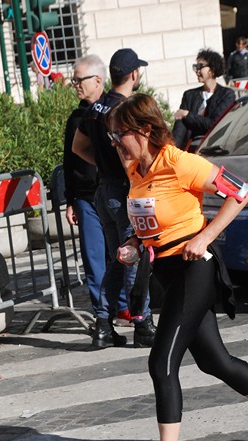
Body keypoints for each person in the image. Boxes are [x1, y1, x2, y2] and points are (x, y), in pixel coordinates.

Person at [106, 93, 248, 441]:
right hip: (167, 270)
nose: (115, 142)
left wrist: (206, 236)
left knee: (161, 360)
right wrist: (133, 242)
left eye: (119, 135)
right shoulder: (136, 168)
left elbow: (240, 192)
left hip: (195, 270)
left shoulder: (180, 162)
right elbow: (151, 219)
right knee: (214, 361)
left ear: (144, 130)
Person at [72, 48, 156, 349]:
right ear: (134, 74)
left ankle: (104, 325)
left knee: (117, 261)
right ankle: (143, 323)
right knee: (133, 258)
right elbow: (129, 154)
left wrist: (103, 163)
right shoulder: (124, 110)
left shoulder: (96, 108)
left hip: (103, 190)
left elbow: (78, 147)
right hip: (123, 191)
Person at [63, 54, 132, 326]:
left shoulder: (114, 111)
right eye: (73, 81)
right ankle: (102, 313)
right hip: (86, 197)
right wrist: (70, 200)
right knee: (95, 258)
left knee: (120, 253)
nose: (75, 85)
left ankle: (125, 306)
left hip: (114, 191)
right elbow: (70, 159)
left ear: (98, 80)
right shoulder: (78, 117)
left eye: (79, 80)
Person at [173, 48, 235, 151]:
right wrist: (173, 150)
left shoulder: (227, 94)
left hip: (215, 148)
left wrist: (187, 115)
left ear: (212, 69)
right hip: (192, 149)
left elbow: (214, 124)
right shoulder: (189, 95)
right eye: (196, 67)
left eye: (200, 66)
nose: (197, 70)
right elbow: (180, 128)